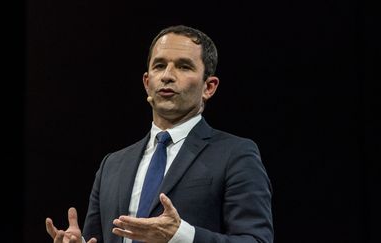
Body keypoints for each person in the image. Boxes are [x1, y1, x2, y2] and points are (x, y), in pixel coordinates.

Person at [45, 25, 273, 243]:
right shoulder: (112, 165)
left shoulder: (235, 154)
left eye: (184, 66)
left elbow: (256, 239)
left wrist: (181, 235)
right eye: (159, 65)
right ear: (147, 82)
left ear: (209, 87)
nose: (167, 76)